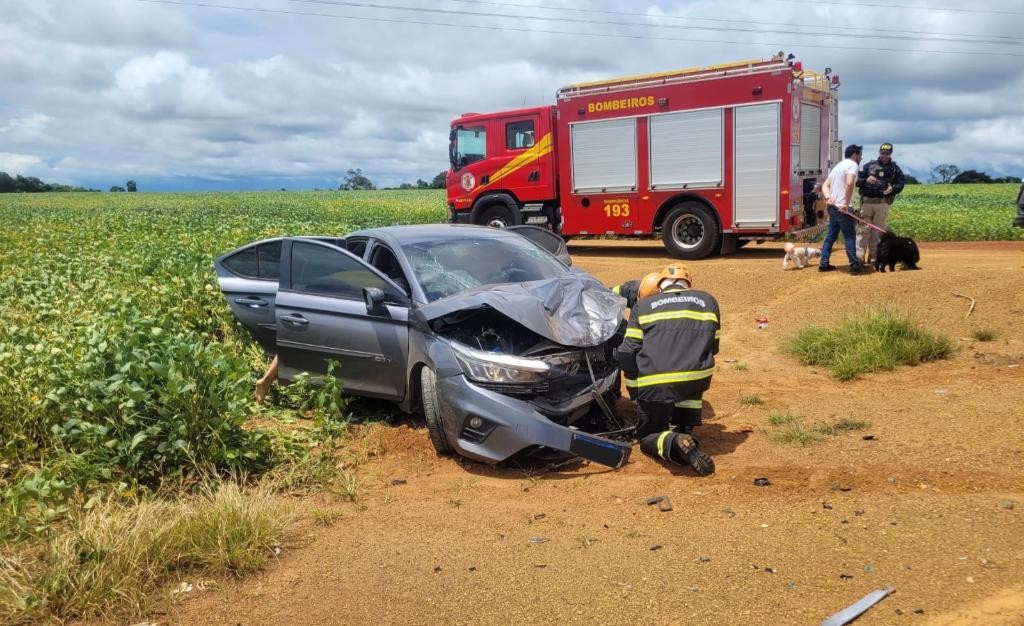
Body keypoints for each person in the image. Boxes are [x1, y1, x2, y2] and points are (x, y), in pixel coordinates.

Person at [614, 263, 718, 476]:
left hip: (657, 383)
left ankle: (673, 440)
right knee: (687, 381)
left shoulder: (643, 305)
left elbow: (627, 351)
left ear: (660, 286)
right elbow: (713, 346)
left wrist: (635, 390)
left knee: (647, 437)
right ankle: (685, 426)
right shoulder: (708, 301)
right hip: (697, 378)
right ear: (688, 284)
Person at [856, 142, 906, 261]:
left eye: (887, 153)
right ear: (879, 153)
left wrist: (893, 189)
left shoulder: (895, 169)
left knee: (877, 232)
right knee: (863, 230)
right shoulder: (868, 166)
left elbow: (901, 183)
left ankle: (874, 256)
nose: (884, 155)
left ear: (890, 154)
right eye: (882, 153)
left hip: (883, 203)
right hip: (867, 203)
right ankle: (859, 257)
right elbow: (856, 180)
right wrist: (866, 180)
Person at [819, 144, 865, 274]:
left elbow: (824, 186)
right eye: (860, 155)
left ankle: (824, 263)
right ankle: (854, 265)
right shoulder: (853, 165)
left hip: (833, 207)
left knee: (831, 236)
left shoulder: (838, 166)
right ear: (855, 155)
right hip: (843, 208)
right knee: (849, 236)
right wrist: (846, 203)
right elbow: (849, 183)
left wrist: (828, 198)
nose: (861, 158)